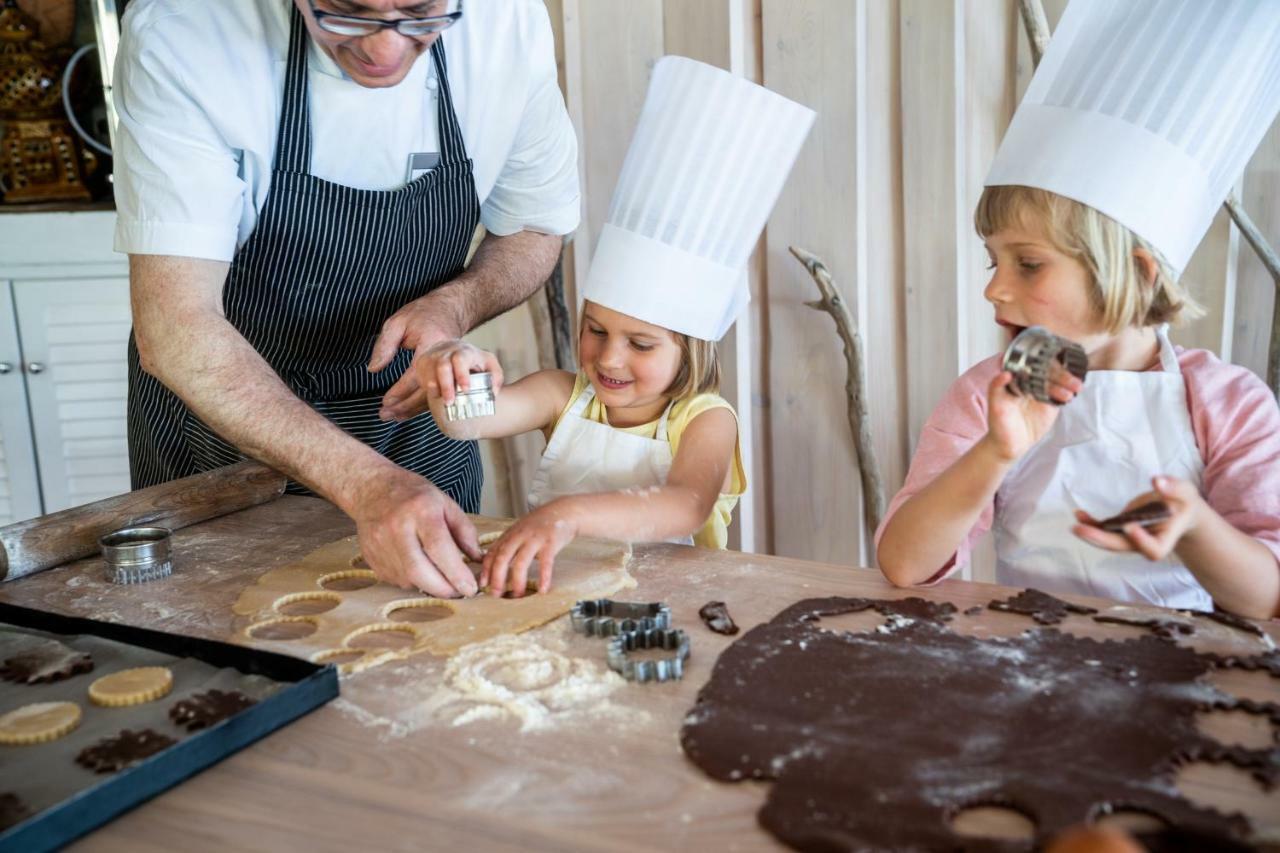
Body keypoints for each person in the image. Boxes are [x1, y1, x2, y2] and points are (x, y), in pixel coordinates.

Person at [112, 0, 579, 598]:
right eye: (345, 13)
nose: (384, 49)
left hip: (416, 430)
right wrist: (366, 486)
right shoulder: (186, 33)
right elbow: (176, 328)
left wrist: (455, 305)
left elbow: (535, 227)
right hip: (225, 439)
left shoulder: (506, 22)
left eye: (420, 15)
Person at [876, 0, 1280, 618]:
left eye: (1029, 263)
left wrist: (1195, 525)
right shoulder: (987, 394)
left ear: (1139, 274)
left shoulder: (1228, 403)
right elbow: (904, 564)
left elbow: (1268, 597)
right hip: (1027, 664)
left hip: (1189, 678)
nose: (994, 290)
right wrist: (996, 451)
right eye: (994, 262)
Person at [410, 56, 813, 596]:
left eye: (640, 343)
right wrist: (454, 369)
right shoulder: (562, 395)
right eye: (595, 329)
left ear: (690, 349)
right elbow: (468, 423)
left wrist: (569, 515)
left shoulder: (705, 420)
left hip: (671, 605)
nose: (609, 357)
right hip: (555, 592)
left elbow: (685, 506)